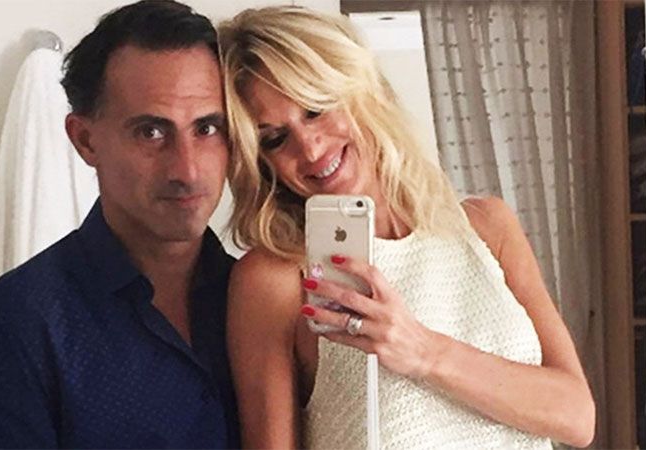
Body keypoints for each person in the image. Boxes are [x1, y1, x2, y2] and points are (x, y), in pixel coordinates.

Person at [218, 6, 595, 449]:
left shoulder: (486, 227)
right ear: (261, 162)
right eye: (275, 138)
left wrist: (421, 351)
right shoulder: (275, 280)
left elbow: (576, 416)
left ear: (361, 90)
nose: (310, 148)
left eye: (316, 109)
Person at [0, 1, 239, 448]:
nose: (187, 170)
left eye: (207, 128)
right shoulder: (12, 327)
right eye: (151, 132)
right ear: (85, 140)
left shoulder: (263, 301)